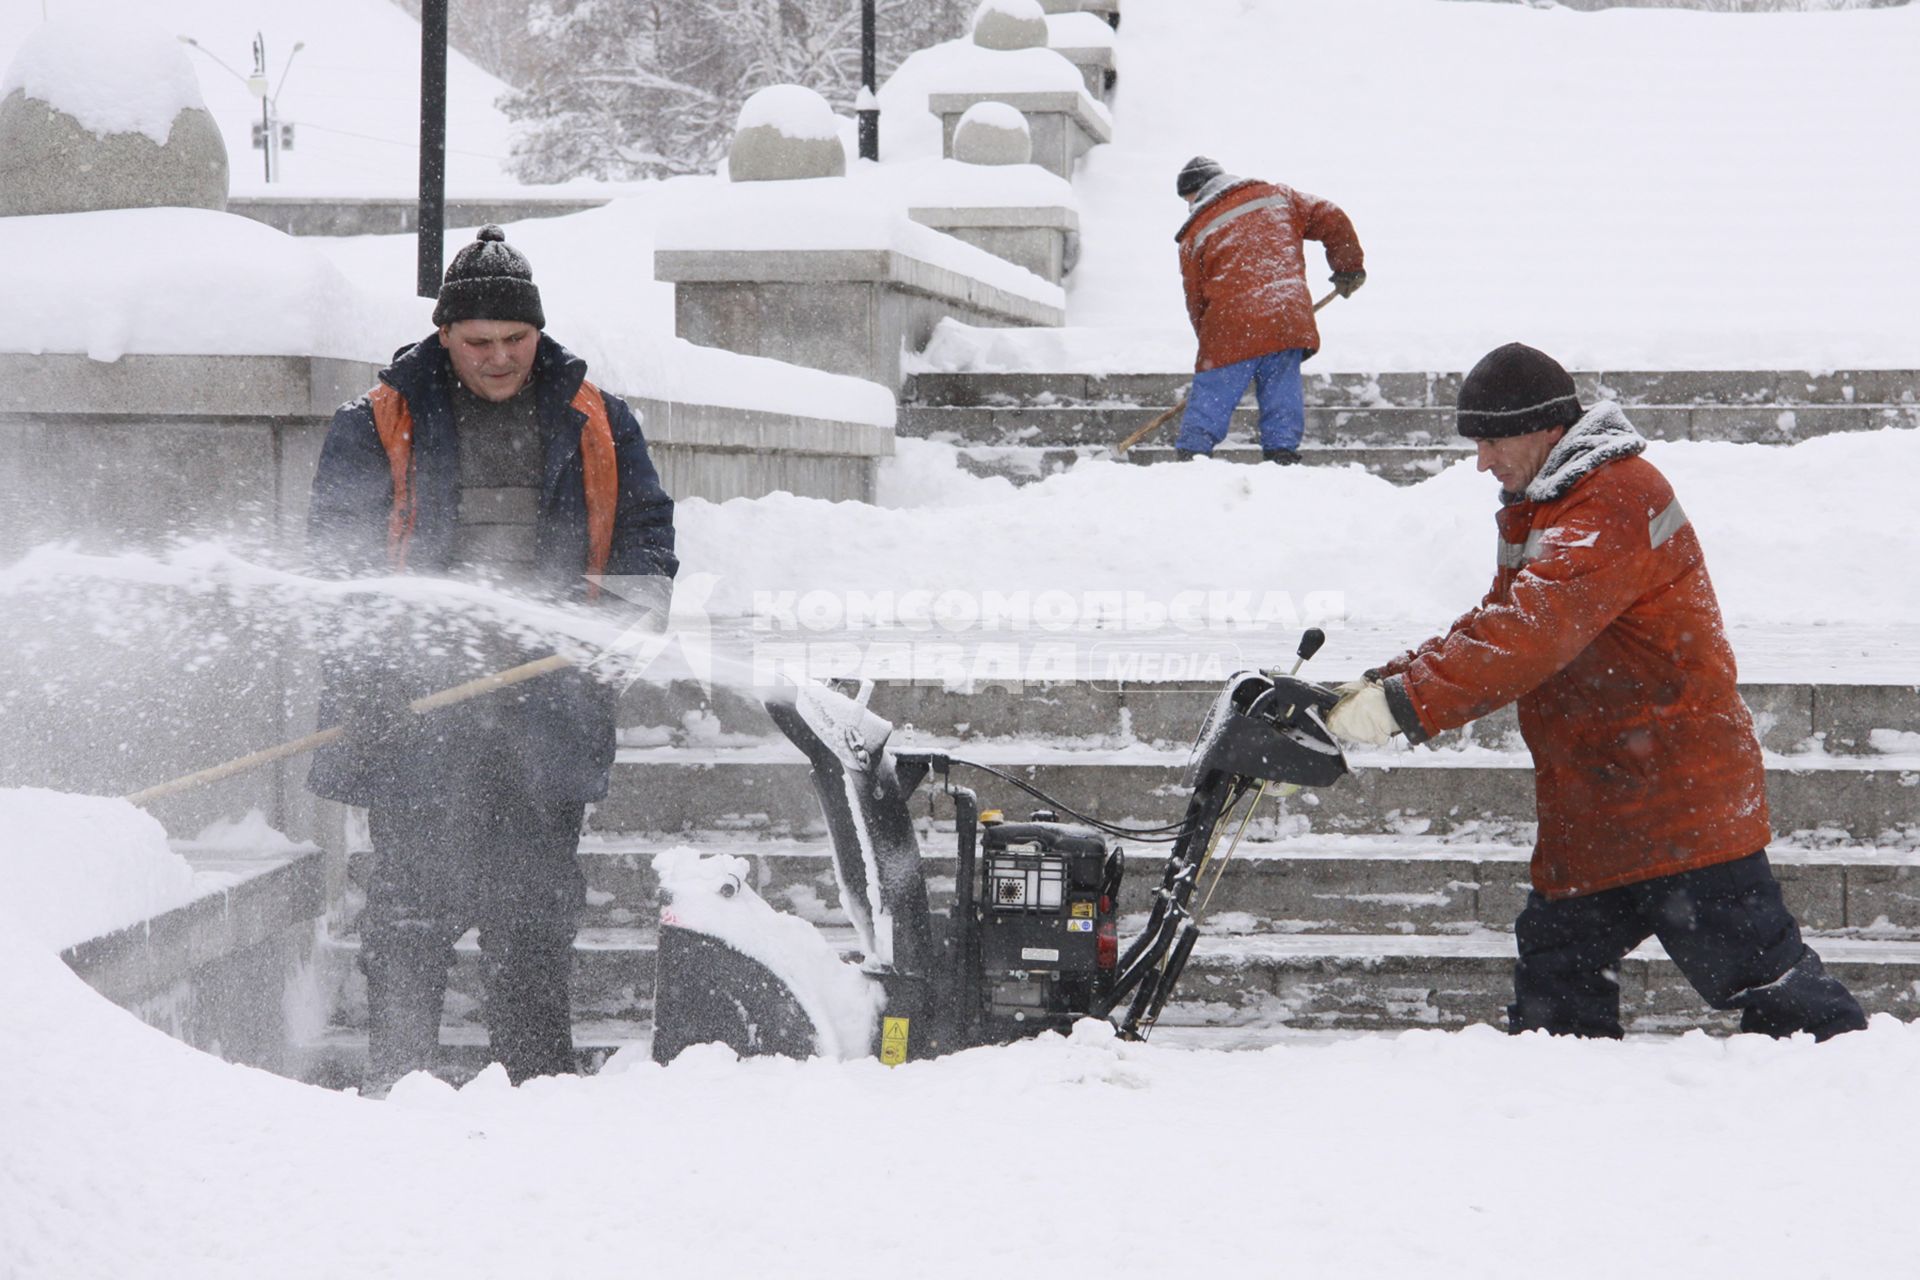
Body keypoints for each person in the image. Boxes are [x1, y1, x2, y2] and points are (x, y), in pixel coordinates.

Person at [1324, 342, 1865, 1041]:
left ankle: (1854, 1086)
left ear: (1544, 428)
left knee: (1772, 984)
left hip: (1676, 804)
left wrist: (1399, 707)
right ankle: (1569, 1126)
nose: (1481, 461)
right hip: (1600, 805)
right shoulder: (1549, 504)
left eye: (1490, 441)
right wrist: (1378, 682)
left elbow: (1530, 635)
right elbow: (1494, 621)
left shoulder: (1613, 496)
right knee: (1556, 992)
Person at [305, 225, 679, 1090]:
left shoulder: (595, 417)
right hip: (416, 712)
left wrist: (616, 630)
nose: (501, 358)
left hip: (544, 708)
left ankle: (537, 1081)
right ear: (444, 335)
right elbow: (339, 560)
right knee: (410, 911)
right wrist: (369, 683)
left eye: (517, 339)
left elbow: (645, 536)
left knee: (535, 913)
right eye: (479, 342)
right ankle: (402, 1079)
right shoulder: (379, 420)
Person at [1171, 155, 1365, 464]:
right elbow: (1330, 215)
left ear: (1199, 189)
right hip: (1286, 315)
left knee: (1212, 396)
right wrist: (1349, 268)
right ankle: (1282, 454)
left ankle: (1192, 454)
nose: (1189, 205)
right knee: (1281, 388)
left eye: (1188, 198)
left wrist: (1209, 345)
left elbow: (1195, 298)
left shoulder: (1196, 233)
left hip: (1229, 325)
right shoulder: (1278, 197)